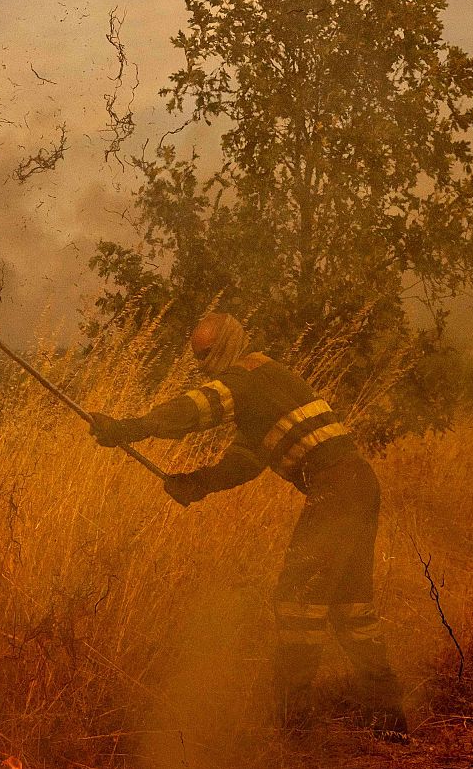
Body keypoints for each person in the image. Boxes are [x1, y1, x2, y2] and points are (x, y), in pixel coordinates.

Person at [89, 313, 409, 743]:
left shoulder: (248, 375)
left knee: (297, 603)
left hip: (336, 489)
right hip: (355, 485)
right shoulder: (266, 386)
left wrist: (130, 428)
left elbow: (195, 408)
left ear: (224, 346)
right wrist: (197, 483)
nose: (201, 365)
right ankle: (389, 719)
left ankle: (296, 727)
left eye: (205, 355)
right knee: (351, 606)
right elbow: (245, 462)